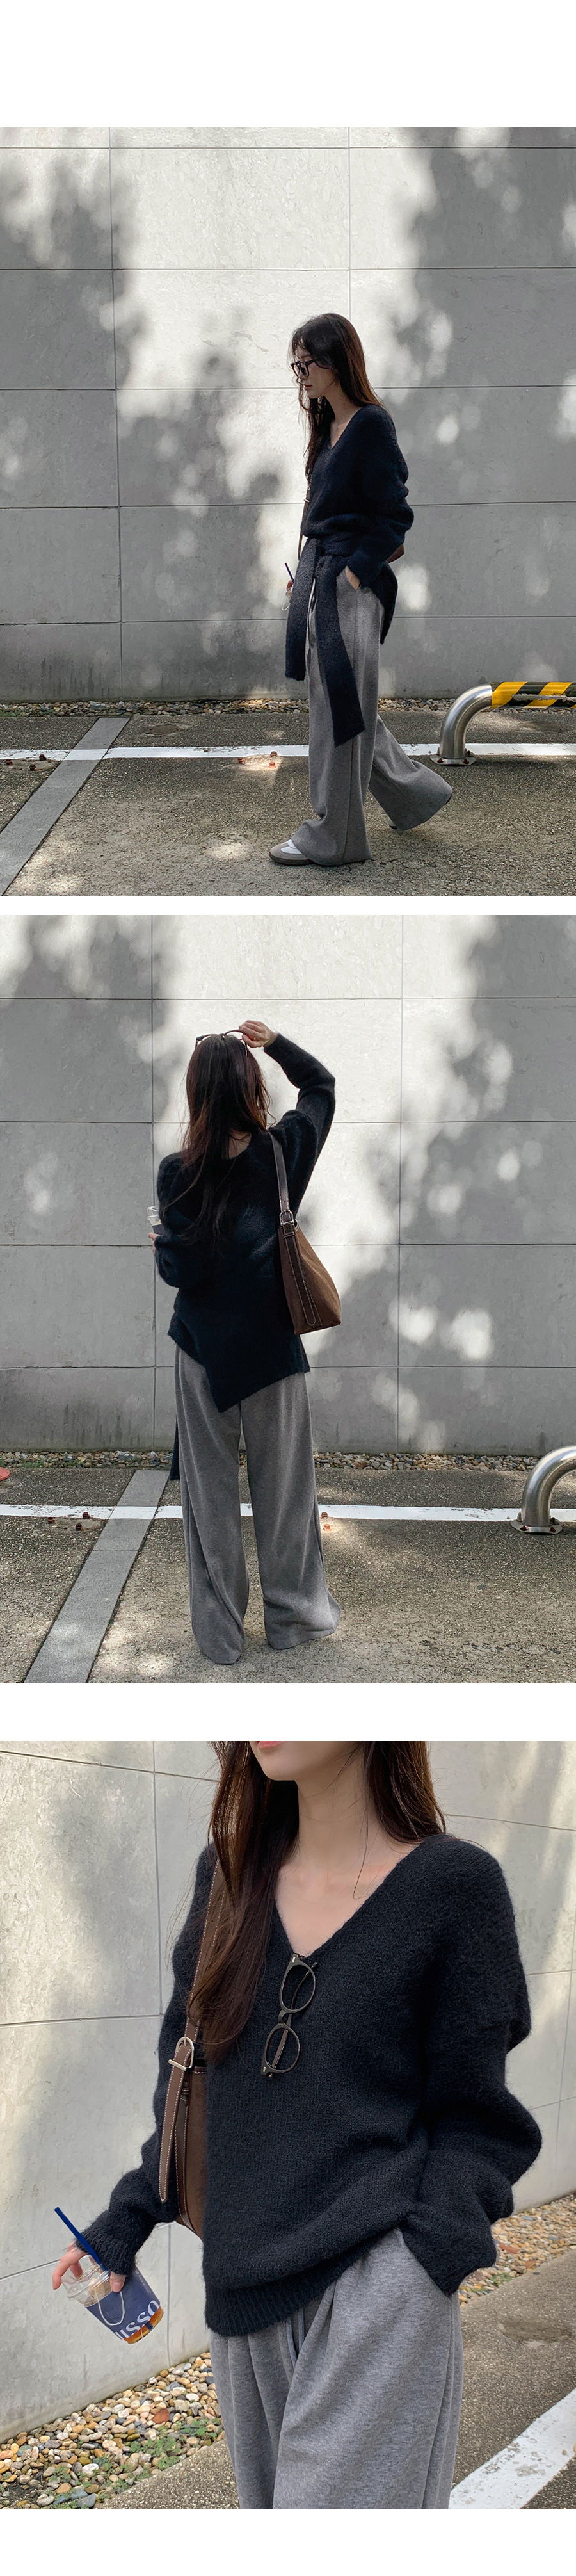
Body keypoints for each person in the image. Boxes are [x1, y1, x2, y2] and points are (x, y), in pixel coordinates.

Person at [53, 1740, 542, 2511]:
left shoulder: (454, 1887)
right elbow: (189, 2081)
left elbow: (477, 2118)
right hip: (241, 2298)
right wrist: (131, 2213)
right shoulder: (227, 1878)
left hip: (381, 2290)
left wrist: (420, 2266)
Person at [151, 1025, 339, 1666]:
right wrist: (279, 1042)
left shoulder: (177, 1173)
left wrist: (163, 1241)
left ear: (197, 1095)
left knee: (209, 1502)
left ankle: (222, 1637)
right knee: (286, 1498)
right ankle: (293, 1620)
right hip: (272, 1358)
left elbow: (182, 1272)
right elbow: (321, 1086)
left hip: (202, 1355)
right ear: (252, 1088)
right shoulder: (283, 1153)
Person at [270, 312, 452, 866]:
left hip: (350, 589)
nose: (301, 374)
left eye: (306, 362)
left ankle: (336, 838)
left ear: (335, 361)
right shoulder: (327, 426)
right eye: (296, 365)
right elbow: (325, 516)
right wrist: (307, 575)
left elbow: (395, 517)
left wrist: (352, 573)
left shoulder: (371, 425)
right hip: (322, 580)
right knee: (344, 704)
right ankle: (417, 795)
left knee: (337, 713)